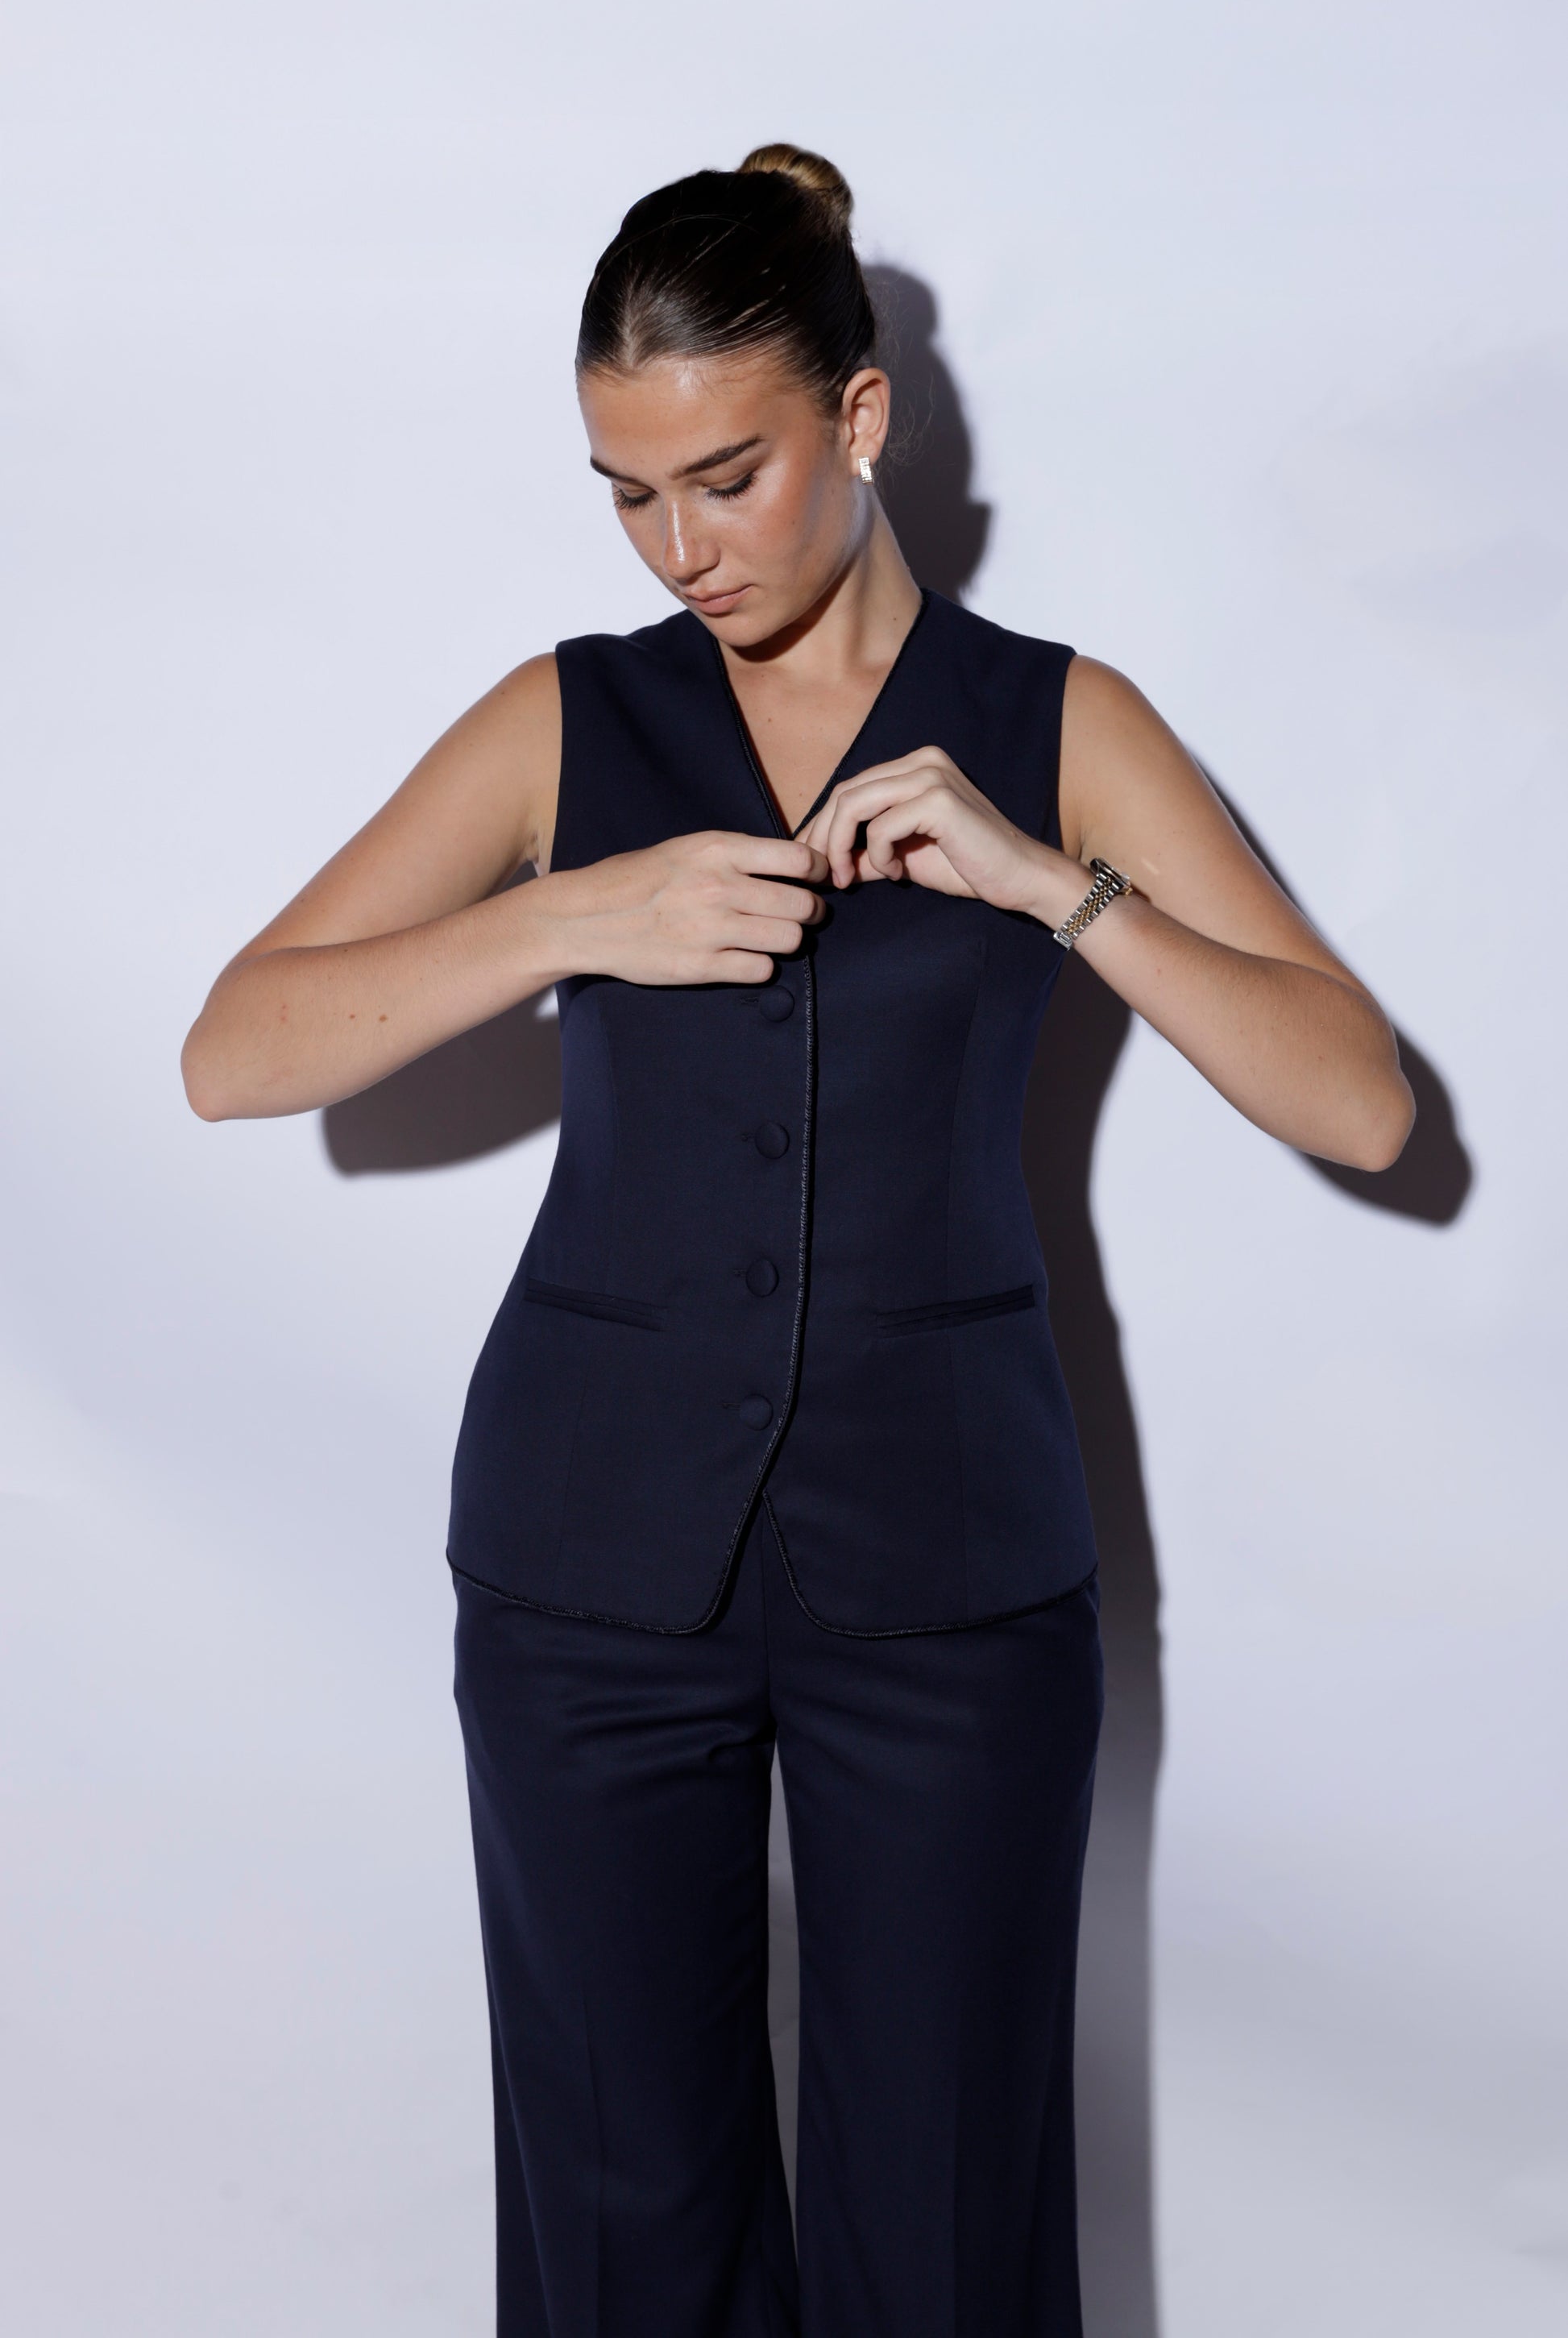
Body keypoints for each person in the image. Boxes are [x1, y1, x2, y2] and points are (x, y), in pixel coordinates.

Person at [183, 143, 1413, 2338]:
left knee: (938, 2241)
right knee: (618, 2233)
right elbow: (238, 1049)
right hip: (583, 1580)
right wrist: (584, 909)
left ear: (859, 420)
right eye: (626, 493)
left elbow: (1358, 1100)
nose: (682, 549)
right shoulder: (573, 715)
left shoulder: (1056, 720)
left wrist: (1052, 885)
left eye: (725, 478)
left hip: (947, 1585)